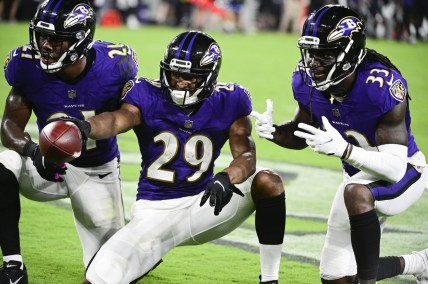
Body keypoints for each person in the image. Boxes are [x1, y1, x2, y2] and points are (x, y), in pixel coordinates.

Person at [59, 30, 286, 284]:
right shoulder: (145, 93)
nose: (179, 82)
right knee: (95, 279)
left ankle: (270, 279)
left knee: (269, 182)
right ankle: (149, 252)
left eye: (190, 77)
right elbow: (116, 119)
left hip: (205, 203)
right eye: (175, 74)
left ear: (209, 77)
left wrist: (227, 177)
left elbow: (246, 155)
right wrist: (86, 127)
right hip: (154, 211)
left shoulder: (231, 100)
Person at [251, 4, 428, 284]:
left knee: (356, 193)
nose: (314, 63)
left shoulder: (380, 85)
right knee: (336, 278)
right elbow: (301, 133)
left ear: (350, 54)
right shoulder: (307, 82)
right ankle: (420, 263)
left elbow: (393, 169)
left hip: (406, 171)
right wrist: (273, 131)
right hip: (357, 176)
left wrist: (344, 150)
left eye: (324, 54)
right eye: (311, 53)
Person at [0, 0, 138, 283]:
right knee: (6, 162)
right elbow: (10, 125)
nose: (46, 46)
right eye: (42, 36)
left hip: (96, 170)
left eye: (56, 40)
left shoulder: (116, 65)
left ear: (80, 40)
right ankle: (12, 265)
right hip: (46, 165)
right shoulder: (25, 66)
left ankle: (139, 245)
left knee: (110, 271)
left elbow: (129, 117)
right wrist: (33, 150)